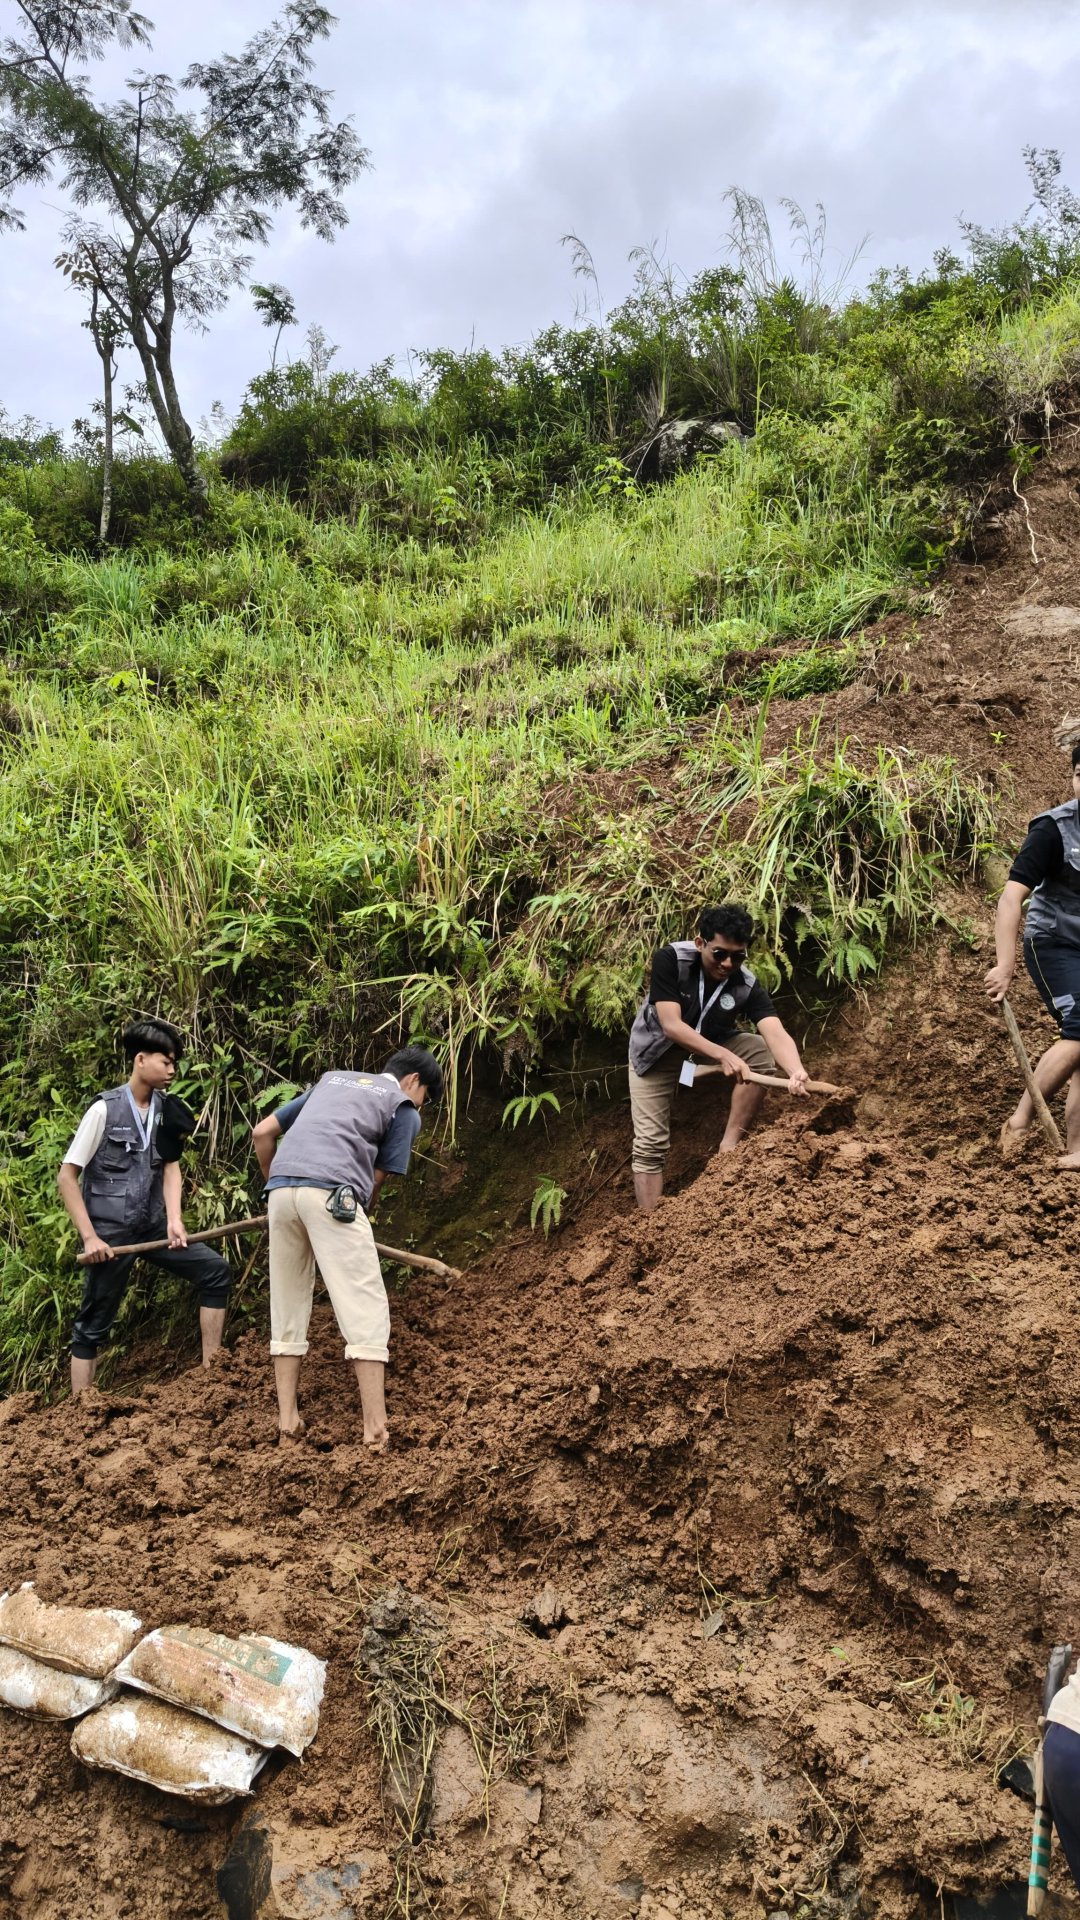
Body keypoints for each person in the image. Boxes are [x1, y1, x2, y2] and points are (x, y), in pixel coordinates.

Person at [250, 1045, 443, 1450]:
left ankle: (288, 1425)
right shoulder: (402, 1106)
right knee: (364, 1306)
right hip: (333, 1194)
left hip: (282, 1191)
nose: (421, 1106)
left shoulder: (329, 1081)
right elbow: (375, 1180)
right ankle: (375, 1430)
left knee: (286, 1304)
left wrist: (278, 1186)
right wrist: (358, 1214)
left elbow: (263, 1132)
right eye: (425, 1097)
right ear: (413, 1082)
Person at [58, 1017, 231, 1395]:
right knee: (93, 1323)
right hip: (110, 1236)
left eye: (174, 1063)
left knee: (215, 1272)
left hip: (152, 1226)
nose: (172, 1070)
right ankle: (78, 1414)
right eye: (166, 1062)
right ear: (140, 1060)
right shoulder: (104, 1111)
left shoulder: (168, 1110)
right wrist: (90, 1238)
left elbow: (171, 1168)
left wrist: (174, 1220)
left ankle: (211, 1378)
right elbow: (67, 1177)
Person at [628, 903, 811, 1212]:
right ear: (700, 943)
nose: (728, 963)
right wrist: (723, 1055)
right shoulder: (671, 960)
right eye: (720, 954)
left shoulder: (745, 984)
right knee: (650, 1144)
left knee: (759, 1051)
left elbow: (774, 1031)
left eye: (738, 956)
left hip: (706, 1049)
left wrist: (796, 1071)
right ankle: (650, 1227)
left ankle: (729, 1147)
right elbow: (671, 1026)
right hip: (655, 1056)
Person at [985, 743, 1080, 1169]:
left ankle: (1077, 1150)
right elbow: (1011, 899)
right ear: (1075, 777)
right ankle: (1020, 1121)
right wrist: (1005, 965)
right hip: (1054, 942)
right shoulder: (1054, 829)